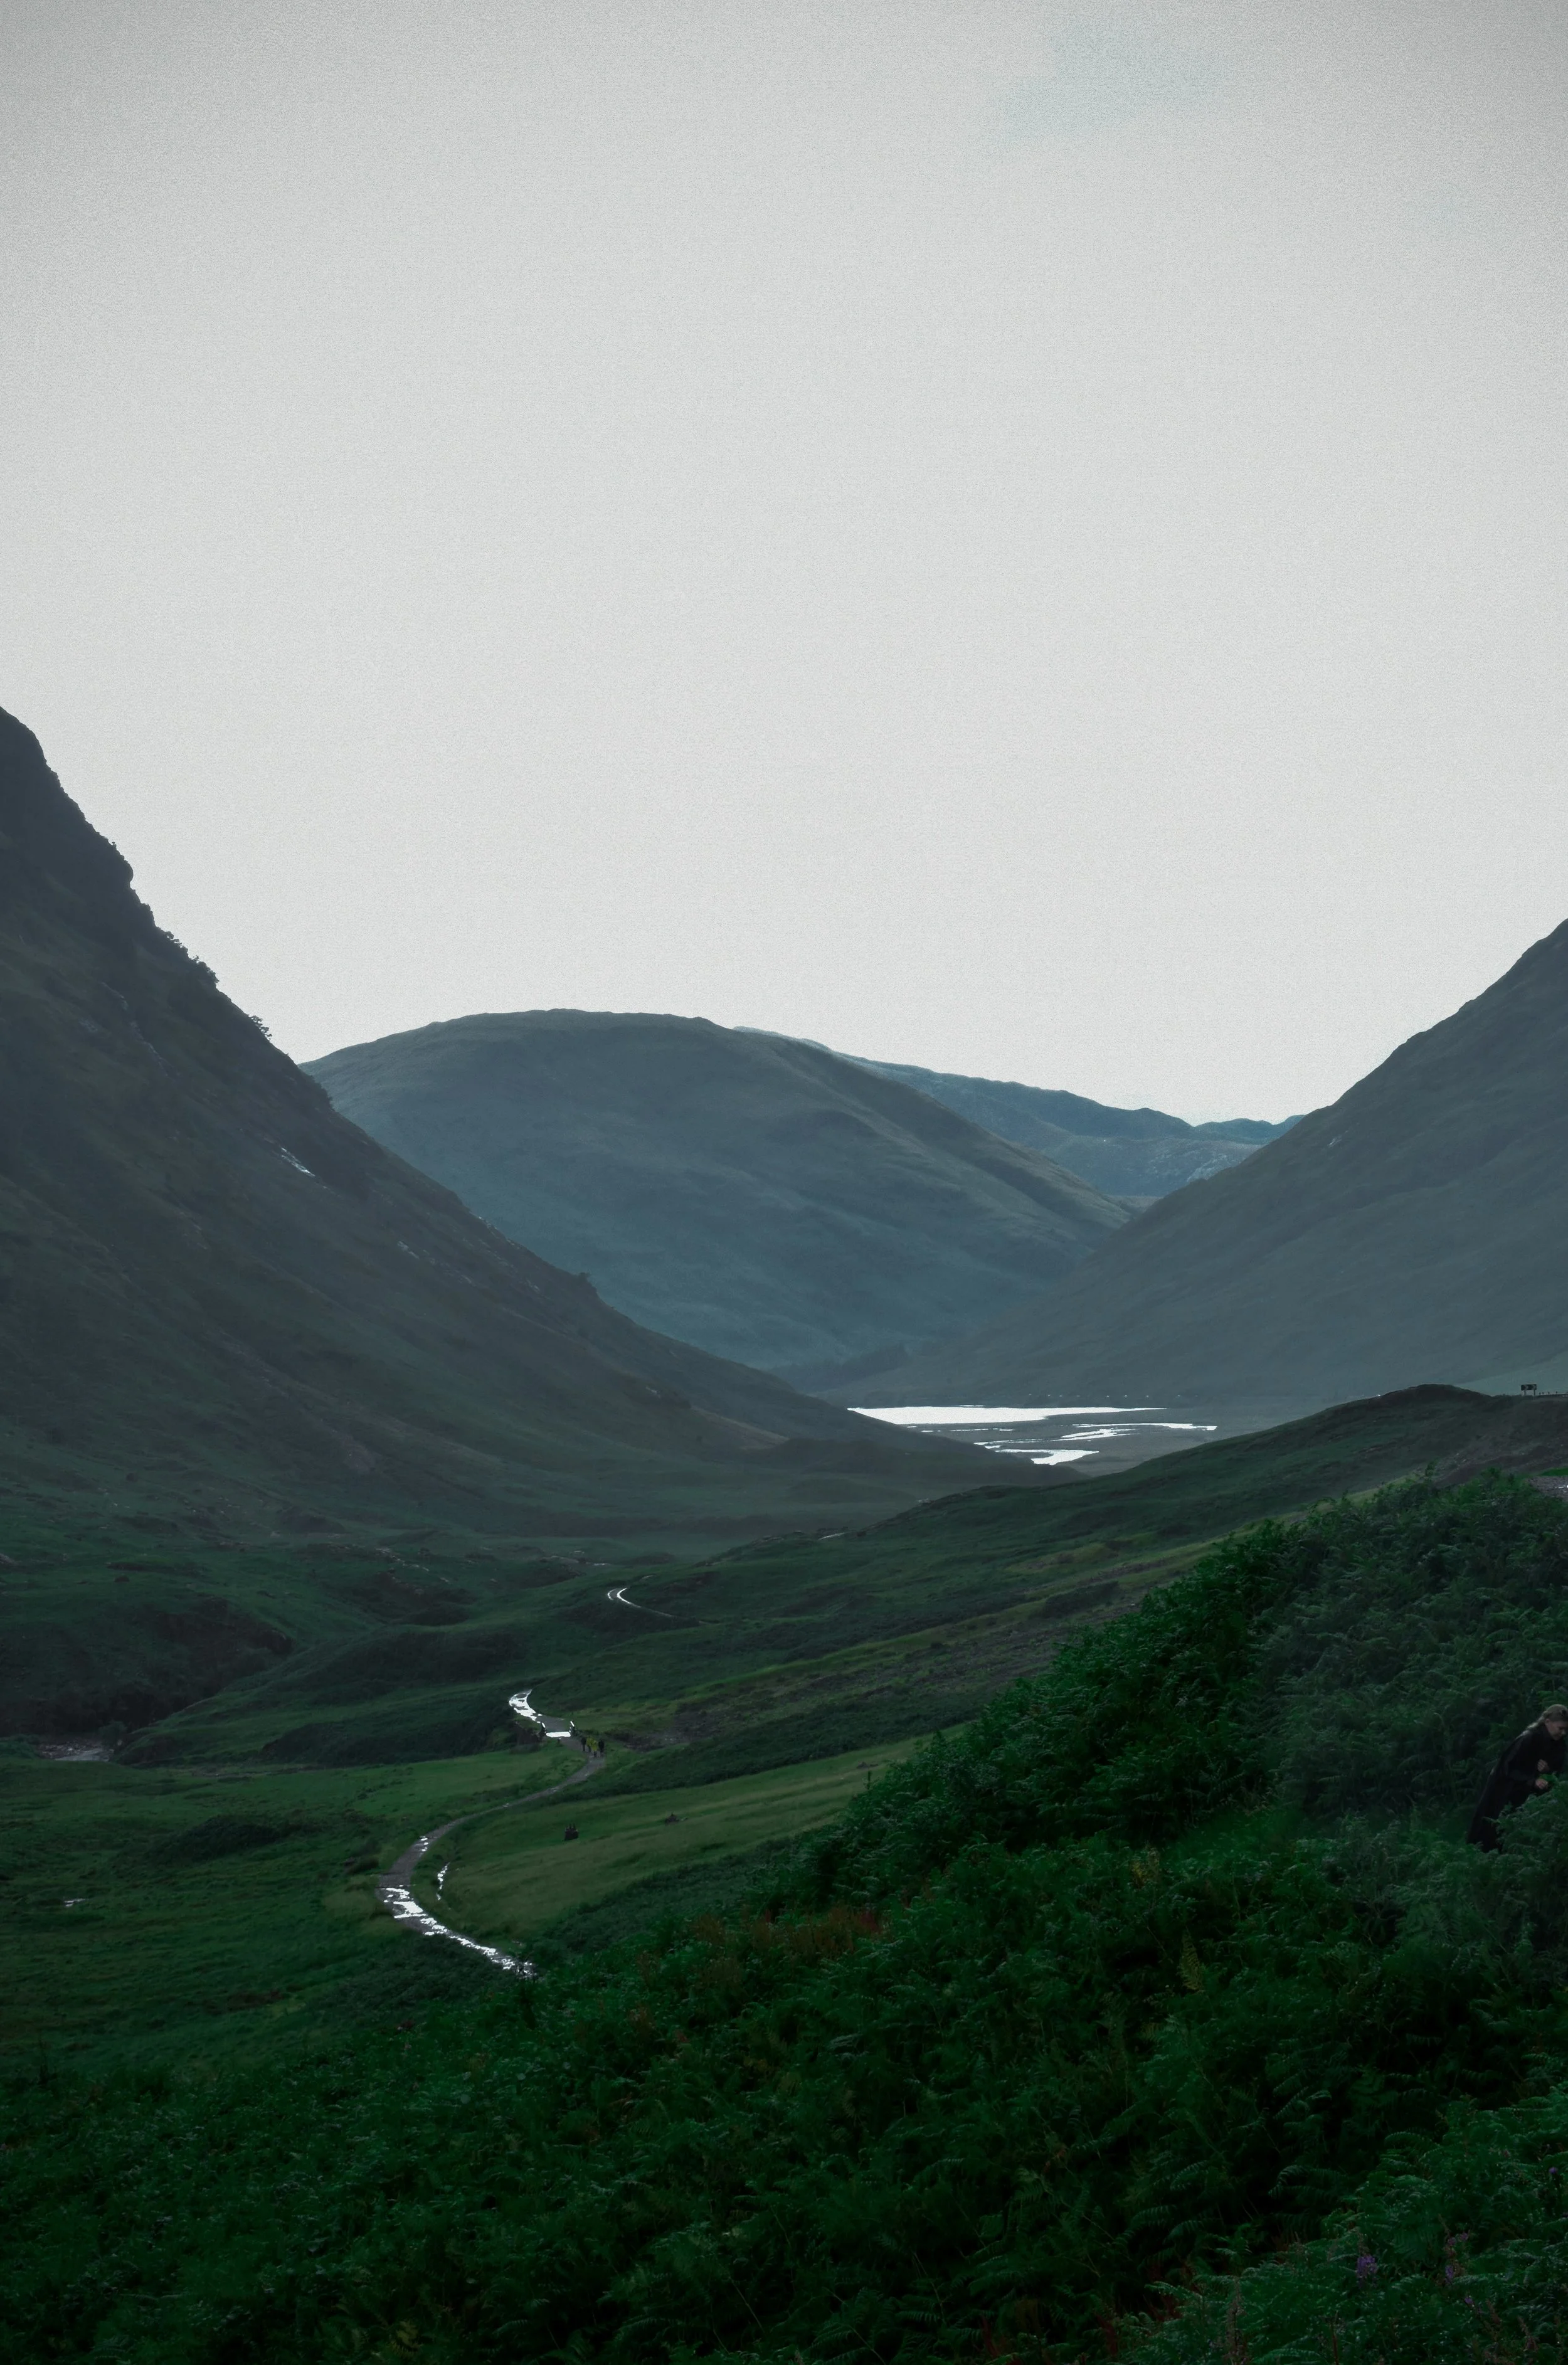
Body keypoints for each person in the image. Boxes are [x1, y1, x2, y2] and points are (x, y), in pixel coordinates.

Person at [1467, 1703, 1568, 1849]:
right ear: (1548, 1722)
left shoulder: (1559, 1745)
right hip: (1505, 1791)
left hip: (1529, 1797)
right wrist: (1532, 1780)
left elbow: (1556, 1770)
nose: (1563, 1733)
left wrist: (1547, 1770)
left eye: (1566, 1729)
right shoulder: (1528, 1738)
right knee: (1493, 1831)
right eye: (1561, 1728)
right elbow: (1508, 1767)